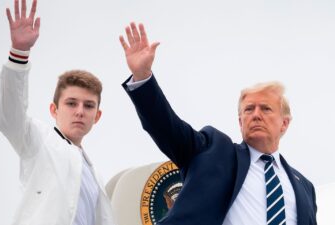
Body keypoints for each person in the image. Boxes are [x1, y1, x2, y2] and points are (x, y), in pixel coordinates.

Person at [119, 22, 317, 225]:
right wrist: (143, 77)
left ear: (284, 123)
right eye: (249, 109)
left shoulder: (305, 188)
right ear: (240, 121)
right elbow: (167, 128)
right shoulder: (213, 151)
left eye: (266, 109)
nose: (256, 115)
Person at [0, 0, 115, 224]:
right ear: (54, 109)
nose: (80, 111)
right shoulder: (39, 140)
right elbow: (8, 117)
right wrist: (19, 52)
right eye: (71, 103)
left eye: (88, 106)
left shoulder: (95, 176)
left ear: (97, 116)